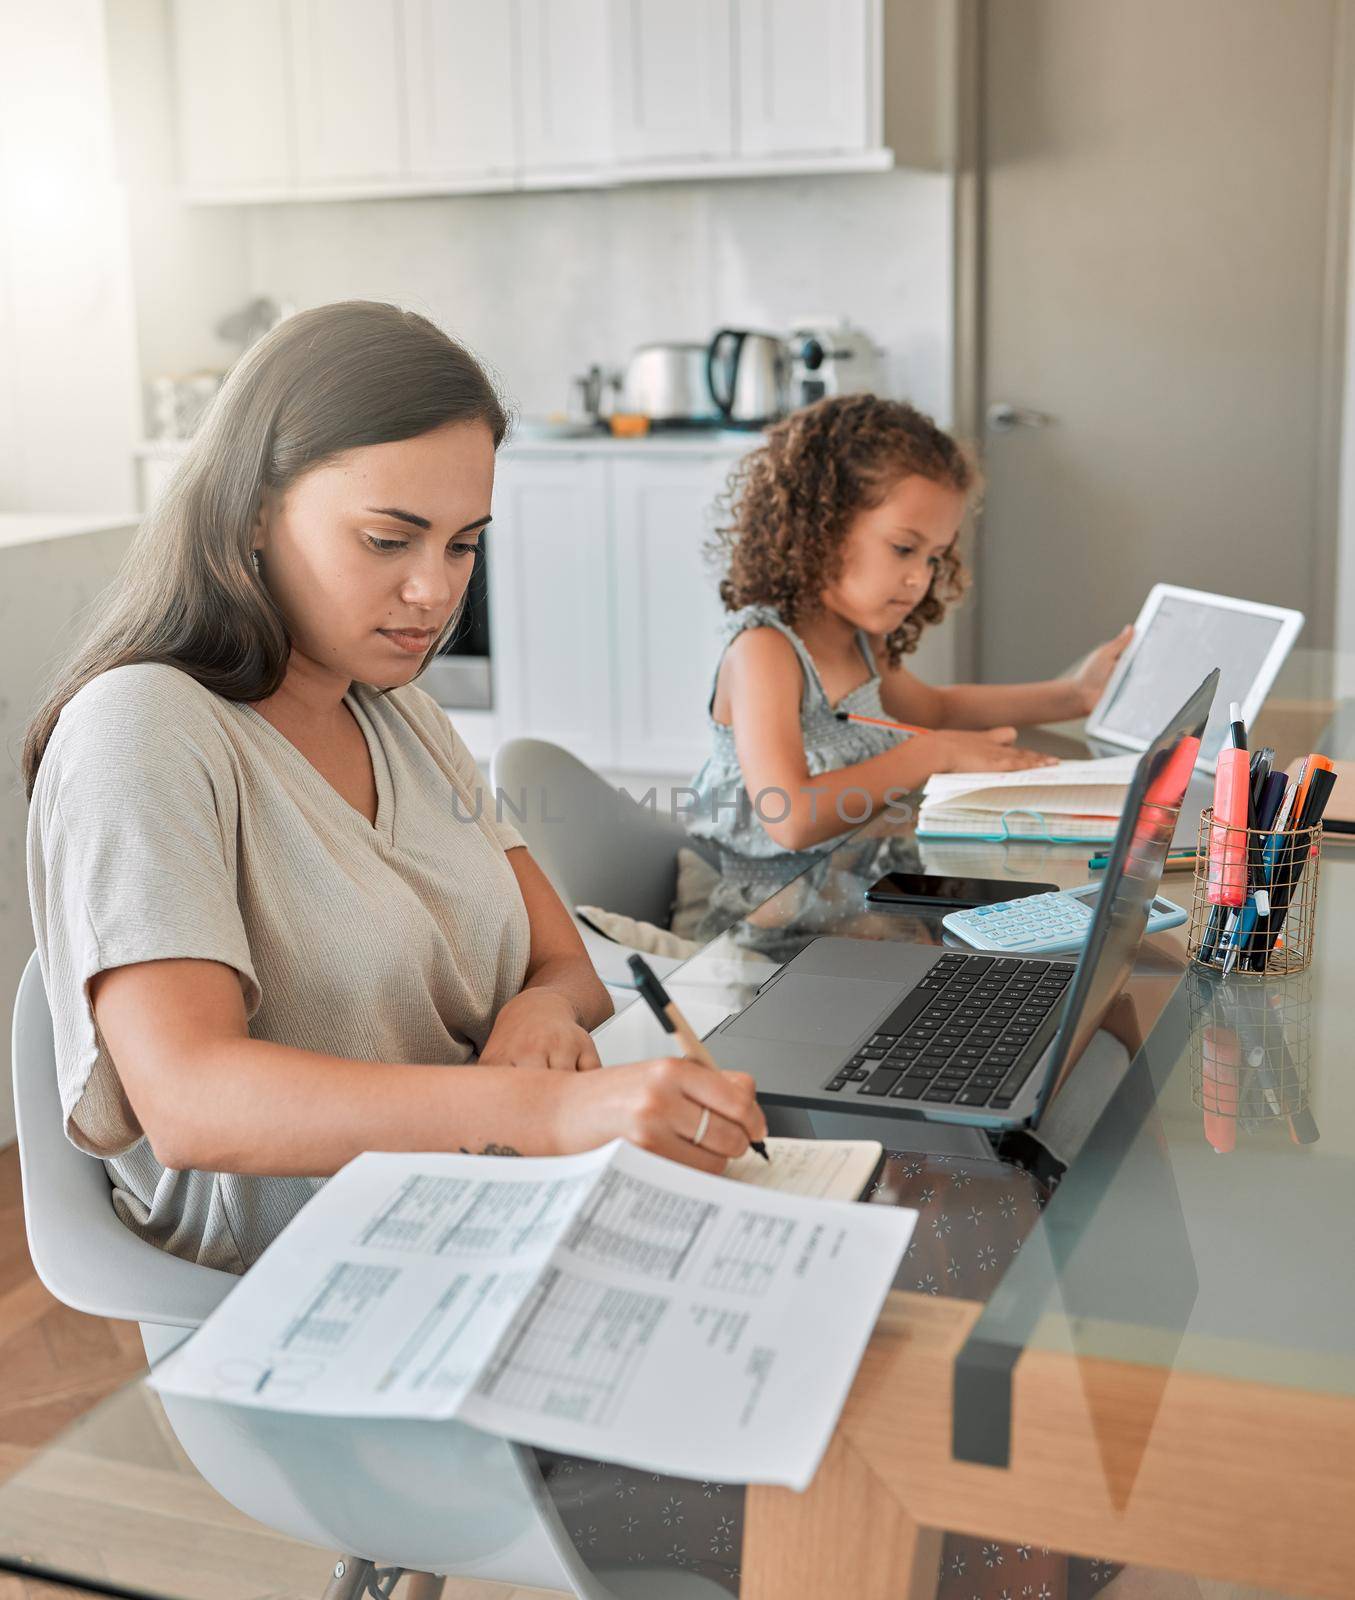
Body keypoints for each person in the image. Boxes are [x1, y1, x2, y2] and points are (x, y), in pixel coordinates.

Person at [23, 300, 765, 1275]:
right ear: (251, 511)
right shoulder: (143, 728)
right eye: (387, 540)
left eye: (462, 544)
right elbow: (193, 1102)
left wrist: (537, 1019)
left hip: (479, 1207)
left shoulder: (399, 712)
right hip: (306, 1278)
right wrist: (546, 1112)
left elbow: (564, 966)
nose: (436, 590)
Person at [688, 394, 1133, 856]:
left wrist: (1076, 695)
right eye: (903, 548)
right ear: (819, 528)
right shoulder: (764, 651)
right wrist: (936, 753)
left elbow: (935, 710)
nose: (920, 578)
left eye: (934, 557)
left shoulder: (861, 642)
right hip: (755, 904)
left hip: (842, 882)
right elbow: (792, 819)